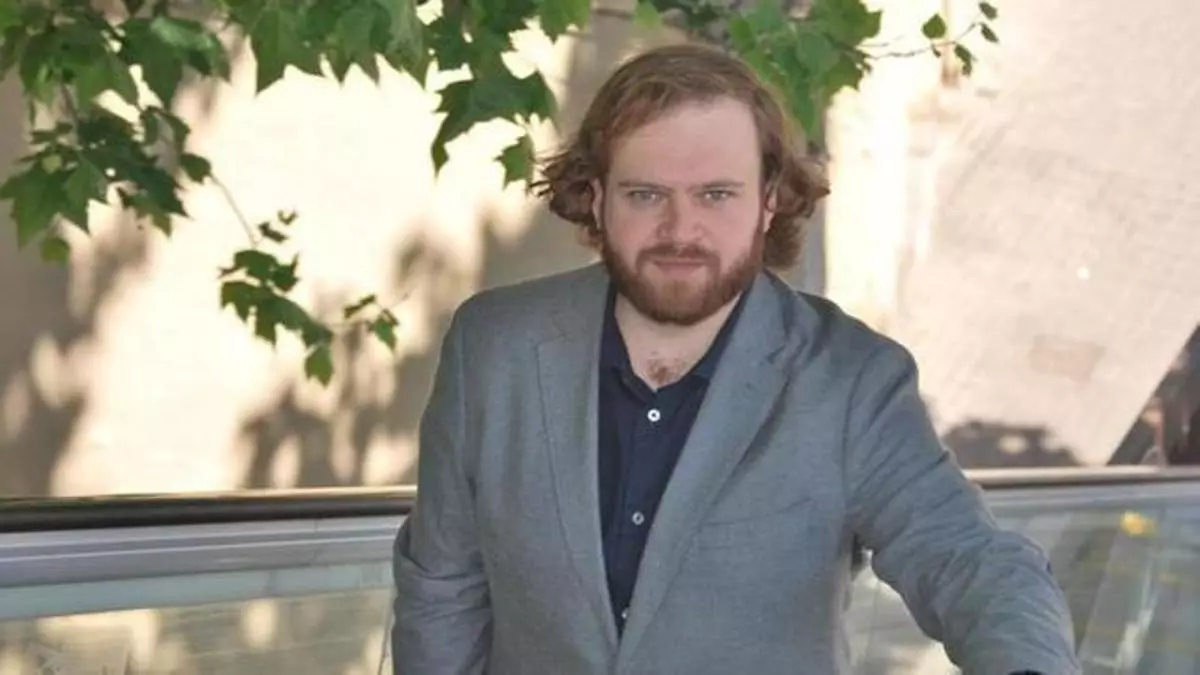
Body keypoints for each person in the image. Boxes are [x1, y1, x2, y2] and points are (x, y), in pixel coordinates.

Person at [392, 43, 1078, 675]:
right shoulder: (493, 347)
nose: (680, 230)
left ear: (769, 200)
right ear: (596, 199)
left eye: (716, 194)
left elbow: (966, 559)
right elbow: (442, 589)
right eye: (645, 194)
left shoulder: (854, 380)